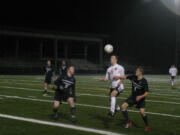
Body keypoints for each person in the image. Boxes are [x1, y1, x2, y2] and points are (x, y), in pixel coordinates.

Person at [118, 67, 150, 131]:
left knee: (142, 112)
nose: (136, 71)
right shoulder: (133, 77)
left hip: (141, 99)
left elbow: (146, 93)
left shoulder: (144, 81)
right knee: (123, 106)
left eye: (137, 71)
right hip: (133, 97)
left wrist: (140, 97)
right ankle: (128, 122)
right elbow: (125, 77)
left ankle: (147, 126)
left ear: (140, 72)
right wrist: (119, 79)